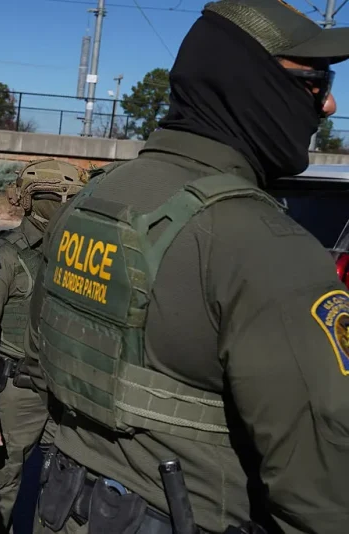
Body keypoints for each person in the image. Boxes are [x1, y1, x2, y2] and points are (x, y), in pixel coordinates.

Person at [26, 0, 349, 532]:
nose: (330, 103)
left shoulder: (90, 201)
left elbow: (43, 358)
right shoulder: (266, 248)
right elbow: (325, 492)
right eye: (315, 82)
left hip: (66, 509)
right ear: (249, 84)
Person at [0, 158, 87, 534]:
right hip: (16, 394)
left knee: (62, 494)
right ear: (38, 199)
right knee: (0, 492)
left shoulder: (74, 252)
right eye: (65, 198)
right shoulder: (3, 255)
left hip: (63, 394)